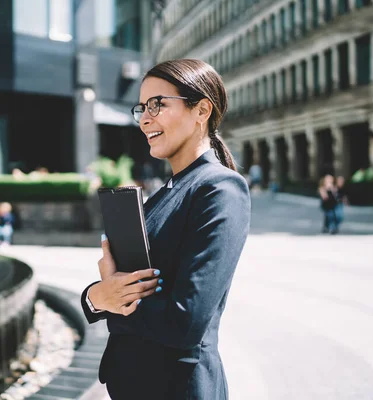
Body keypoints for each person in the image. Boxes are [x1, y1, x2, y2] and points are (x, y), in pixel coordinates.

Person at [80, 59, 251, 400]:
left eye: (157, 104)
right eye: (142, 108)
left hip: (179, 388)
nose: (145, 118)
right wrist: (96, 296)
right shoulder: (166, 192)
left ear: (201, 110)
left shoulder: (220, 189)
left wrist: (116, 302)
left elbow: (185, 321)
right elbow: (124, 287)